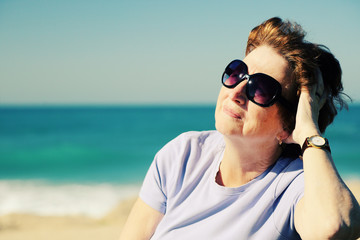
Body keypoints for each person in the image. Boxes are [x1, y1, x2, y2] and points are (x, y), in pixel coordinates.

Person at [120, 17, 360, 239]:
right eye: (238, 73)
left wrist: (309, 131)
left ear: (288, 126)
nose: (235, 92)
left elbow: (334, 226)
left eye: (261, 88)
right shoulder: (183, 155)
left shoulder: (294, 185)